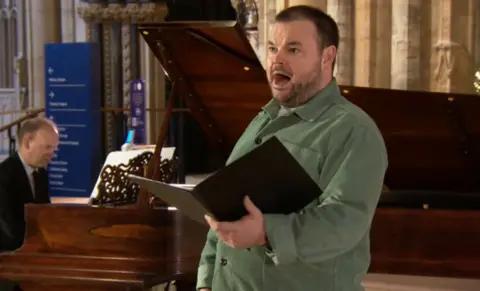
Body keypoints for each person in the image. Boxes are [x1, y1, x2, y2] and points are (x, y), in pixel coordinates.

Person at [196, 5, 388, 291]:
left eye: (293, 50)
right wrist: (206, 282)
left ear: (327, 57)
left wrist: (265, 232)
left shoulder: (355, 131)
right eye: (273, 48)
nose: (277, 60)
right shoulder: (262, 120)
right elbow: (223, 207)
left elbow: (343, 221)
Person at [0, 116, 59, 252]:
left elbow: (45, 213)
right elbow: (10, 230)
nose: (52, 153)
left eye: (54, 148)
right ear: (27, 142)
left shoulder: (41, 173)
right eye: (47, 147)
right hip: (9, 255)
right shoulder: (3, 175)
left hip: (34, 248)